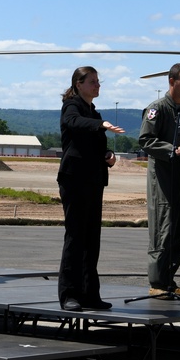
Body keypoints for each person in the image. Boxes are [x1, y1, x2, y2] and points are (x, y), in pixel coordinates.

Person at [56, 66, 125, 311]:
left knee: (91, 239)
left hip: (94, 179)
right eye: (93, 81)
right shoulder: (72, 106)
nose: (98, 85)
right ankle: (69, 295)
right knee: (75, 237)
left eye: (98, 81)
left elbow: (97, 146)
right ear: (78, 83)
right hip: (74, 179)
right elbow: (73, 123)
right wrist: (101, 125)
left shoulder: (95, 112)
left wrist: (108, 154)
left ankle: (89, 293)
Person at [138, 62, 180, 297]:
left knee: (179, 229)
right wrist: (172, 149)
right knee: (163, 230)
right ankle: (157, 283)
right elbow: (145, 140)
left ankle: (169, 280)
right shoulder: (157, 109)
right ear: (171, 81)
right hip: (163, 180)